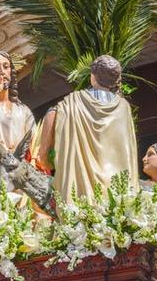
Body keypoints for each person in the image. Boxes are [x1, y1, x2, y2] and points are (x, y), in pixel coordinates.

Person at [36, 55, 139, 205]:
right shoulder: (123, 106)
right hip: (117, 191)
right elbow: (128, 148)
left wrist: (43, 154)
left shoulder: (73, 101)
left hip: (83, 188)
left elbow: (52, 114)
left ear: (93, 76)